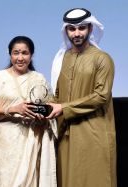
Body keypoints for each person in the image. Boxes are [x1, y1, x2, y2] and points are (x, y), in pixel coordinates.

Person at [46, 8, 117, 187]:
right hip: (66, 134)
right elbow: (58, 94)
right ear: (66, 31)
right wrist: (47, 107)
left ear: (90, 29)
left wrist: (64, 108)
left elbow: (101, 96)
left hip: (93, 134)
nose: (76, 33)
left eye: (81, 28)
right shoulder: (63, 59)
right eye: (71, 28)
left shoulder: (102, 58)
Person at [0, 36, 57, 187]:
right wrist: (13, 109)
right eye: (16, 53)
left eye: (24, 53)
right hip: (5, 143)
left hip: (30, 139)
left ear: (31, 55)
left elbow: (50, 108)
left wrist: (43, 117)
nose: (20, 58)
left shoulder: (39, 78)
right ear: (10, 54)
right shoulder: (0, 76)